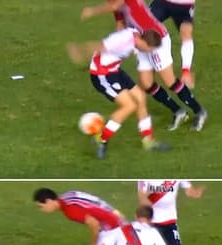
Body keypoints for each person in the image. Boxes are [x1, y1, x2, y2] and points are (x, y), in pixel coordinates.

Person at [81, 0, 208, 132]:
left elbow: (115, 5)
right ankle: (178, 111)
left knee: (170, 81)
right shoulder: (115, 3)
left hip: (155, 39)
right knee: (146, 84)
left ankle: (199, 111)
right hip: (141, 42)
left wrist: (91, 11)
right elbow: (120, 23)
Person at [68, 27, 171, 159]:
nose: (148, 52)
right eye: (148, 49)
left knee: (140, 97)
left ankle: (148, 141)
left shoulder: (136, 35)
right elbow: (100, 46)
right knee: (129, 106)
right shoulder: (121, 41)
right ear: (143, 42)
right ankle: (102, 139)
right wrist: (79, 52)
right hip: (102, 74)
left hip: (115, 70)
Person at [149, 0, 197, 88]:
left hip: (184, 4)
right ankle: (147, 68)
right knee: (145, 26)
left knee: (186, 32)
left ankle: (186, 72)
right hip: (162, 2)